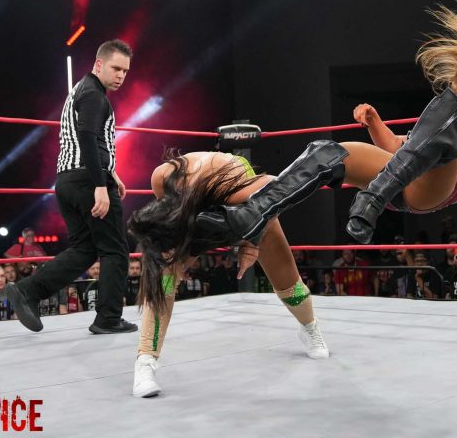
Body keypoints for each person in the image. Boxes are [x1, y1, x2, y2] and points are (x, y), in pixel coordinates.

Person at [194, 6, 457, 247]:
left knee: (447, 132)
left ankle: (372, 198)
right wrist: (374, 121)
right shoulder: (443, 125)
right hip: (398, 177)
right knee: (329, 153)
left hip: (436, 188)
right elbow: (395, 147)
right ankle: (250, 215)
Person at [127, 151, 331, 397]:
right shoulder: (161, 178)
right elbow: (171, 235)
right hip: (195, 212)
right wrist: (177, 257)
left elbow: (278, 191)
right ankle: (145, 360)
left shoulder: (235, 190)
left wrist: (251, 242)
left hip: (251, 205)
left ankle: (309, 327)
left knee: (291, 287)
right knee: (163, 277)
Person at [6, 39, 137, 335]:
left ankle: (28, 290)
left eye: (125, 71)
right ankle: (108, 318)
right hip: (87, 181)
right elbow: (88, 138)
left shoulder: (81, 89)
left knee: (85, 249)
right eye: (116, 68)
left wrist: (111, 173)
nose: (120, 75)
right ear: (99, 64)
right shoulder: (94, 96)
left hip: (67, 181)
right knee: (116, 250)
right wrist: (100, 184)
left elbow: (85, 139)